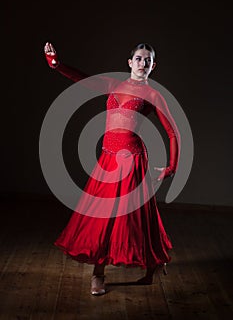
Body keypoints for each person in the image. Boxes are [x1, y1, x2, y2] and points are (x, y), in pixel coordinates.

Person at [44, 42, 180, 295]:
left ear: (153, 66)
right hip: (107, 159)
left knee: (136, 218)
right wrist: (56, 64)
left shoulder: (153, 95)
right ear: (130, 63)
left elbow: (172, 132)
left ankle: (149, 267)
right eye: (139, 58)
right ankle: (99, 274)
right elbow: (82, 79)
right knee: (102, 217)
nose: (143, 63)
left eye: (148, 60)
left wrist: (172, 167)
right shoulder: (113, 84)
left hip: (133, 161)